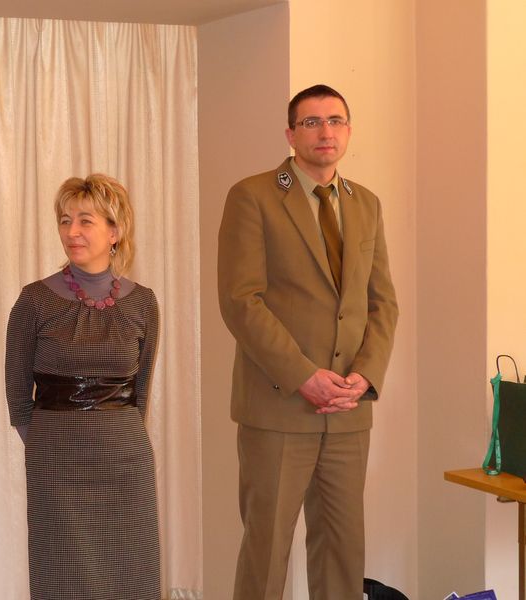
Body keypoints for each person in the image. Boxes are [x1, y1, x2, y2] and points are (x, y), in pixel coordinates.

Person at [218, 84, 399, 599]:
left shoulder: (366, 203)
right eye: (312, 122)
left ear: (348, 131)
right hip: (278, 407)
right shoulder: (253, 196)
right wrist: (303, 376)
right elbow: (241, 301)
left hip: (347, 410)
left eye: (335, 121)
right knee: (267, 551)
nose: (326, 131)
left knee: (343, 551)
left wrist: (365, 376)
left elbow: (382, 303)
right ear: (291, 134)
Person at [5, 174, 161, 599]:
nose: (71, 231)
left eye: (85, 221)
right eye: (64, 220)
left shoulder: (143, 302)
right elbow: (17, 396)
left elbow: (140, 391)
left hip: (125, 460)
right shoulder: (34, 301)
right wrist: (49, 441)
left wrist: (114, 436)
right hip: (57, 463)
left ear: (115, 231)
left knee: (129, 574)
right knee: (63, 577)